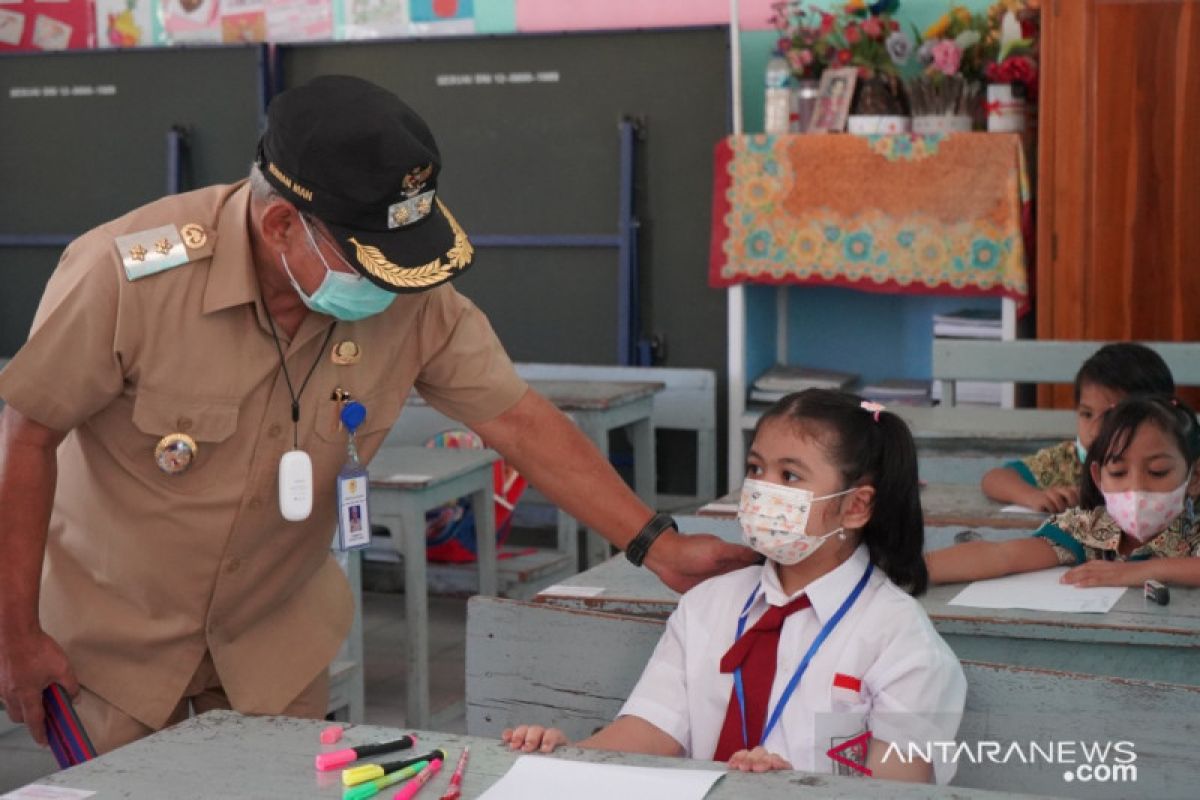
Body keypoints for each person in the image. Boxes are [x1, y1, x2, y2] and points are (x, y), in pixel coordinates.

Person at [0, 75, 756, 753]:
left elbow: (516, 419)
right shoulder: (127, 276)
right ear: (280, 227)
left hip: (275, 648)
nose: (388, 286)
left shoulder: (412, 298)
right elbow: (26, 438)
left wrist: (657, 545)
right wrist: (17, 632)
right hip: (115, 657)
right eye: (365, 257)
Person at [503, 390, 967, 783]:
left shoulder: (902, 643)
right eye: (755, 469)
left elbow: (898, 790)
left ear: (855, 507)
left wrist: (795, 787)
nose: (763, 490)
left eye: (789, 476)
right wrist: (570, 759)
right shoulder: (711, 602)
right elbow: (654, 727)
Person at [929, 395, 1200, 587]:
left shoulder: (1193, 532)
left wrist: (1142, 571)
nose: (1136, 487)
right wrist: (912, 570)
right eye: (1117, 473)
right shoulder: (1088, 529)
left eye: (1158, 471)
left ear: (1195, 477)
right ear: (1098, 477)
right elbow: (1002, 555)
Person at [980, 343, 1175, 513]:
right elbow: (994, 479)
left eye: (1111, 416)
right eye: (1086, 414)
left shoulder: (1176, 463)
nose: (1094, 431)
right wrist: (1033, 496)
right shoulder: (1067, 461)